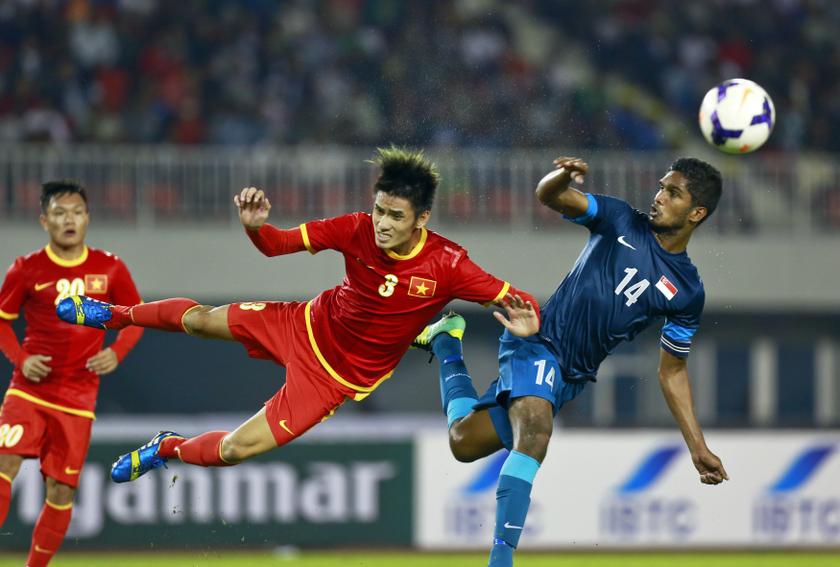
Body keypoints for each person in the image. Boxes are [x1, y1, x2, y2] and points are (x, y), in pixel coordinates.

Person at [57, 147, 539, 483]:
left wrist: (529, 321)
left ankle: (166, 448)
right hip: (304, 323)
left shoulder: (449, 265)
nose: (383, 224)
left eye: (395, 216)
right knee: (201, 319)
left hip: (332, 380)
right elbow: (277, 246)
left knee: (233, 451)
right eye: (379, 211)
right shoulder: (354, 228)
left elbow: (519, 301)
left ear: (422, 219)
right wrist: (255, 228)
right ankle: (114, 315)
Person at [414, 156, 729, 567]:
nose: (659, 197)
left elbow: (672, 371)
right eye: (661, 187)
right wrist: (563, 176)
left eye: (673, 193)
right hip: (537, 339)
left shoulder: (687, 291)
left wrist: (697, 446)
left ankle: (445, 342)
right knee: (536, 433)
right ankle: (500, 560)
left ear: (697, 212)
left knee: (463, 442)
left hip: (571, 377)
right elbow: (550, 195)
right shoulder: (619, 219)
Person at [0, 181, 143, 567]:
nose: (70, 220)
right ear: (44, 221)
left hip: (78, 399)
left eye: (77, 212)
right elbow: (2, 321)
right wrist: (21, 357)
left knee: (61, 491)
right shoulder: (26, 268)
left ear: (87, 219)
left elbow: (135, 317)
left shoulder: (109, 266)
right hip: (29, 391)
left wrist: (117, 352)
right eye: (60, 213)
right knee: (4, 463)